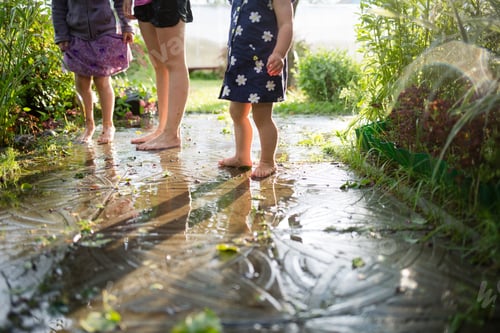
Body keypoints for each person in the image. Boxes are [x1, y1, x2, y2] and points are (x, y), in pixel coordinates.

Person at [218, 0, 294, 179]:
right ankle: (242, 156)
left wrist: (279, 53)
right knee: (236, 112)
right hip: (240, 60)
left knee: (261, 115)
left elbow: (286, 24)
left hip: (266, 61)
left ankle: (268, 161)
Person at [52, 0, 134, 144]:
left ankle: (108, 126)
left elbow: (121, 2)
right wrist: (61, 35)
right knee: (82, 83)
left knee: (102, 79)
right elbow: (58, 7)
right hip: (76, 34)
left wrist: (126, 25)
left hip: (104, 31)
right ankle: (89, 125)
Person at [123, 0, 193, 151]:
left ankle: (172, 134)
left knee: (174, 63)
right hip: (142, 2)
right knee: (159, 65)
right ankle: (162, 129)